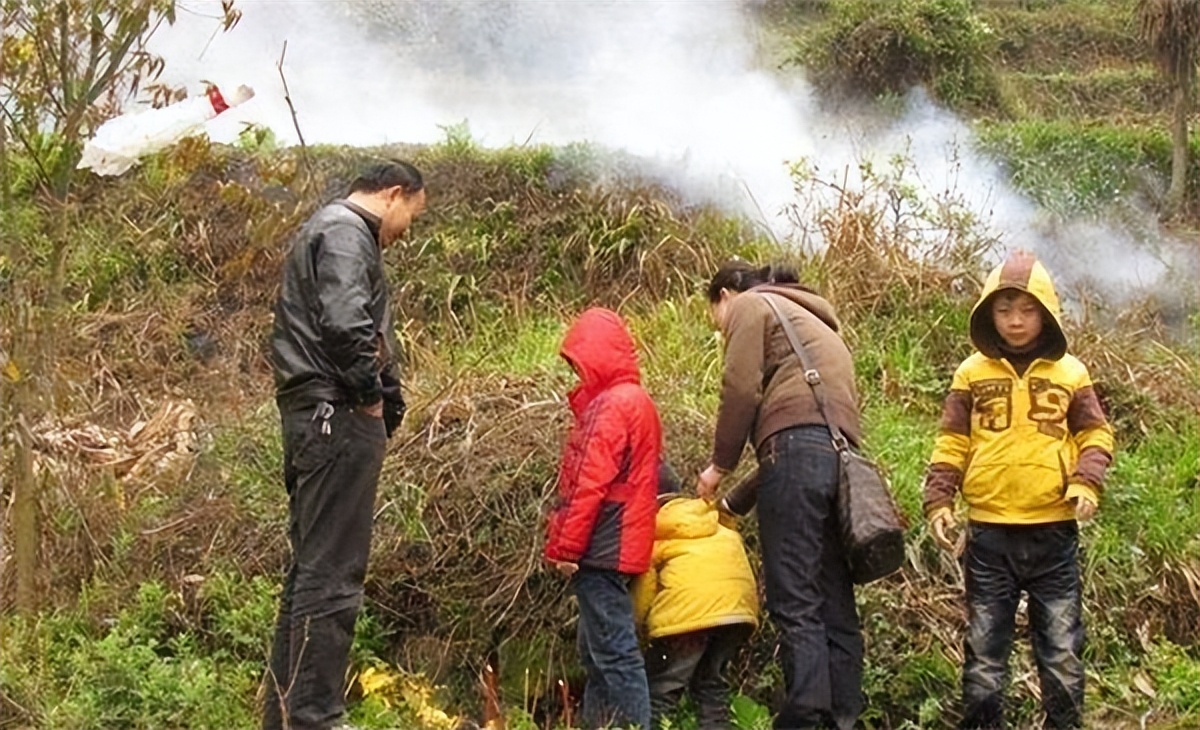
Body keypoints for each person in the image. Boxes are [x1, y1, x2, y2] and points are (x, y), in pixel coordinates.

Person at [264, 160, 426, 730]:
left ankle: (288, 715)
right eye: (412, 215)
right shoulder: (345, 232)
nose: (407, 230)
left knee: (312, 571)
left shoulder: (332, 229)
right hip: (335, 413)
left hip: (317, 414)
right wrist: (370, 395)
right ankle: (315, 716)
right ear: (394, 194)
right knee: (333, 574)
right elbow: (346, 323)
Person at [923, 249, 1114, 730]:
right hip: (989, 536)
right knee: (985, 651)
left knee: (1062, 649)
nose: (1015, 320)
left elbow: (1096, 434)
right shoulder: (972, 372)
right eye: (1004, 309)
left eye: (1027, 309)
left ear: (1046, 312)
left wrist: (1087, 481)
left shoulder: (1071, 373)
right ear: (988, 313)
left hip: (1054, 533)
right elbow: (952, 442)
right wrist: (939, 500)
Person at [696, 260, 865, 730]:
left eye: (715, 317)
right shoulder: (819, 325)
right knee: (834, 596)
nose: (719, 327)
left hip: (795, 456)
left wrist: (718, 467)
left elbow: (740, 388)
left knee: (795, 596)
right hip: (839, 463)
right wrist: (735, 502)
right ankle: (842, 717)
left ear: (725, 295)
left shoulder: (751, 305)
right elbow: (807, 436)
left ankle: (804, 716)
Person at [544, 307, 662, 730]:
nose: (577, 373)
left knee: (614, 655)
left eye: (579, 363)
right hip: (625, 543)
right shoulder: (637, 402)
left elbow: (585, 484)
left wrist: (565, 549)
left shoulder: (611, 406)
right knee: (597, 653)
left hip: (602, 546)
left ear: (595, 356)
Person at [632, 464, 759, 730]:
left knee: (663, 688)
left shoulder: (656, 531)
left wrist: (637, 631)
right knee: (711, 684)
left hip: (688, 620)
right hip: (737, 614)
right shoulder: (714, 521)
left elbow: (645, 592)